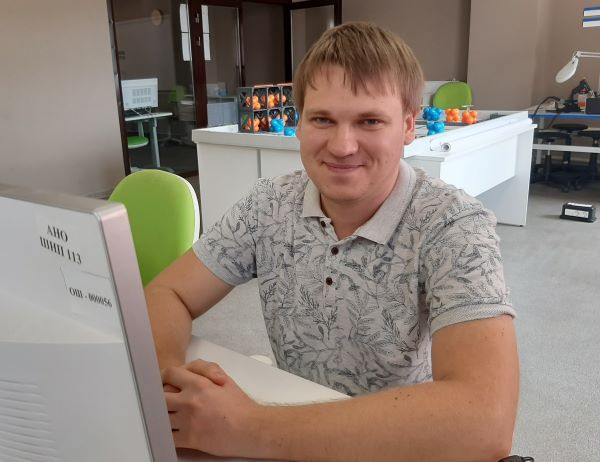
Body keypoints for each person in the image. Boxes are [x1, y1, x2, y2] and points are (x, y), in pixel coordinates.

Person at [145, 21, 519, 461]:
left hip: (394, 443)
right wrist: (166, 381)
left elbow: (486, 419)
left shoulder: (452, 224)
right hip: (289, 422)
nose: (342, 146)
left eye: (370, 121)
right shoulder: (268, 204)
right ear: (299, 124)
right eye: (322, 119)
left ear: (408, 126)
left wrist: (248, 427)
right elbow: (167, 293)